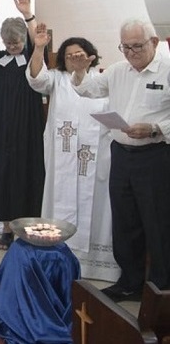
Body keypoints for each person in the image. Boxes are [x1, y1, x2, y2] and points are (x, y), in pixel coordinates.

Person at [71, 19, 170, 301]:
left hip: (156, 156)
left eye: (136, 46)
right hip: (122, 156)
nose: (130, 52)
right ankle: (130, 282)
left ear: (153, 42)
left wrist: (155, 128)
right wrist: (80, 72)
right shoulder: (117, 70)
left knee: (158, 224)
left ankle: (160, 291)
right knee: (125, 222)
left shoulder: (167, 70)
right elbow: (88, 89)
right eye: (124, 47)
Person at [27, 24, 120, 282]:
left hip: (94, 157)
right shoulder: (56, 80)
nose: (74, 59)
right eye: (69, 55)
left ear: (90, 55)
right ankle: (56, 257)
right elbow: (35, 77)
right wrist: (39, 47)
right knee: (60, 199)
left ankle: (95, 265)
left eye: (79, 54)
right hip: (62, 158)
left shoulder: (102, 79)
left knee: (98, 205)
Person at [0, 0, 45, 250]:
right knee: (2, 175)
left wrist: (28, 14)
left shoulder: (32, 60)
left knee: (26, 174)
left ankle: (27, 227)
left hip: (27, 129)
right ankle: (6, 229)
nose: (13, 47)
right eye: (9, 43)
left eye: (17, 42)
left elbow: (40, 43)